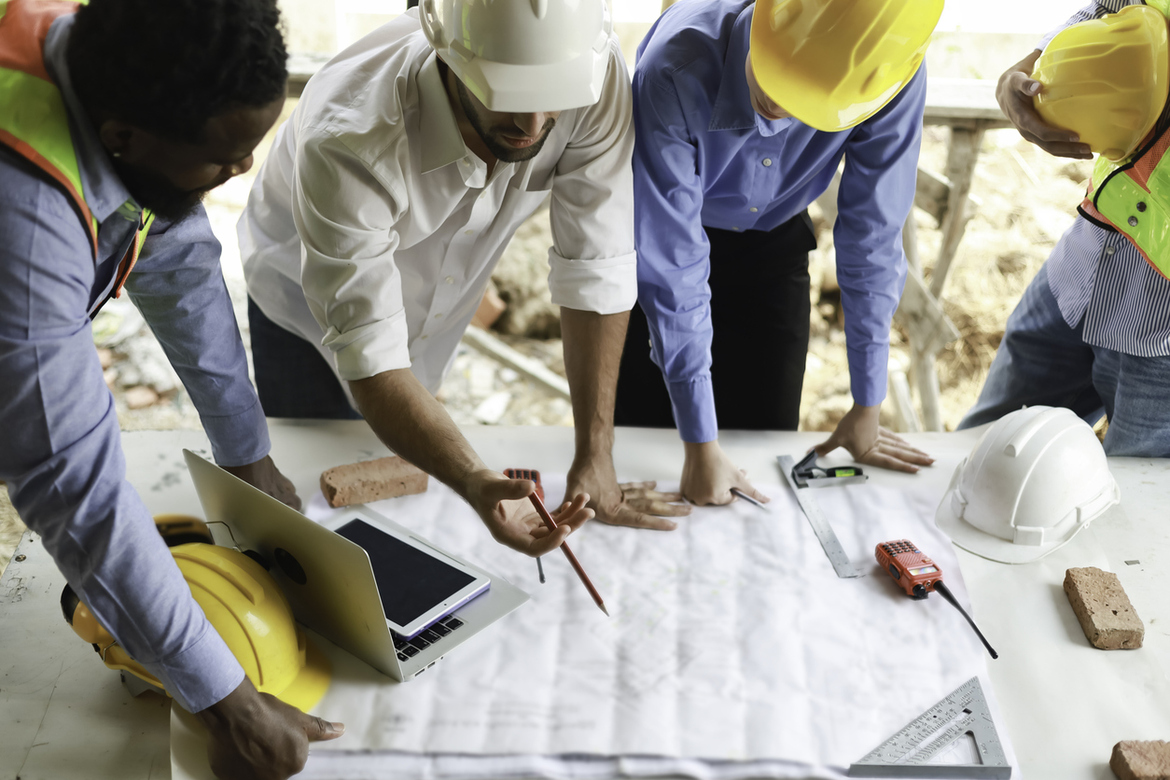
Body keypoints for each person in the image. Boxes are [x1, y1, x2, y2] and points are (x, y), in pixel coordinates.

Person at [0, 0, 343, 777]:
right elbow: (68, 482)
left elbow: (178, 262)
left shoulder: (116, 71)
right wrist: (230, 705)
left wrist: (247, 457)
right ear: (122, 138)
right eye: (222, 158)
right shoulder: (22, 221)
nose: (243, 169)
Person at [238, 0, 689, 547]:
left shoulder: (589, 68)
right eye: (507, 96)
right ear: (445, 55)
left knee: (403, 471)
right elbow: (371, 355)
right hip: (302, 302)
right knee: (318, 499)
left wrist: (595, 455)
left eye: (553, 99)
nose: (532, 126)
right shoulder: (349, 135)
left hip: (438, 294)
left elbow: (597, 268)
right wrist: (474, 479)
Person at [614, 0, 938, 505]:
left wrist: (867, 405)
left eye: (810, 95)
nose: (779, 103)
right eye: (780, 70)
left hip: (776, 244)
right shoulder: (674, 66)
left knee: (764, 444)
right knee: (645, 449)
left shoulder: (888, 74)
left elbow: (873, 236)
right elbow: (671, 263)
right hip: (659, 241)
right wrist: (700, 446)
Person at [959, 0, 1170, 457]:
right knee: (978, 456)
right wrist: (1037, 67)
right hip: (1088, 259)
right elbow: (1115, 7)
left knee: (1136, 495)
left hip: (1162, 327)